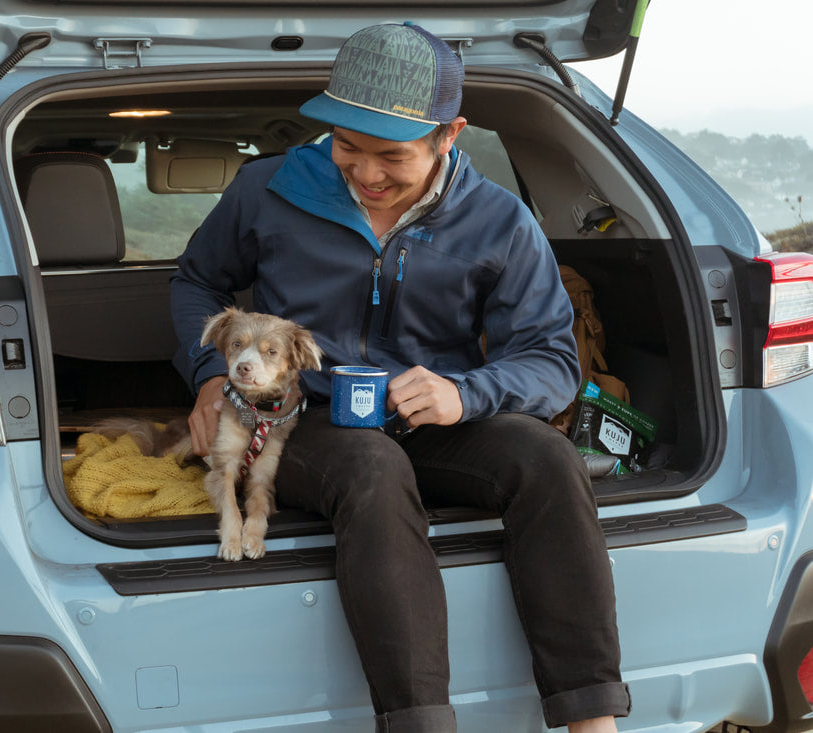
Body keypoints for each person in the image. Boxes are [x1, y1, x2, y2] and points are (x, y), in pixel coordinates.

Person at [170, 21, 630, 733]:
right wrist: (207, 375)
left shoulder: (500, 222)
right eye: (349, 148)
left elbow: (551, 361)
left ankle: (591, 717)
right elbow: (196, 282)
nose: (367, 174)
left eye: (392, 156)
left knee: (546, 455)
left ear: (451, 135)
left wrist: (465, 392)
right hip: (301, 423)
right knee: (374, 465)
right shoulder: (267, 190)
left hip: (438, 420)